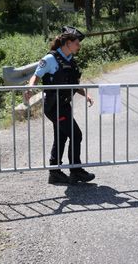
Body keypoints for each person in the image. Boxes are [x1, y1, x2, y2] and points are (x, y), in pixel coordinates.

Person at [24, 26, 96, 185]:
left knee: (62, 136)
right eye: (77, 43)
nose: (79, 46)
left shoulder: (70, 60)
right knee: (76, 134)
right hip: (54, 106)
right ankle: (75, 170)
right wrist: (30, 88)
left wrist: (86, 95)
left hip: (64, 105)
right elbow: (36, 76)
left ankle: (55, 173)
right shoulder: (50, 59)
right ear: (68, 43)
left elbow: (72, 84)